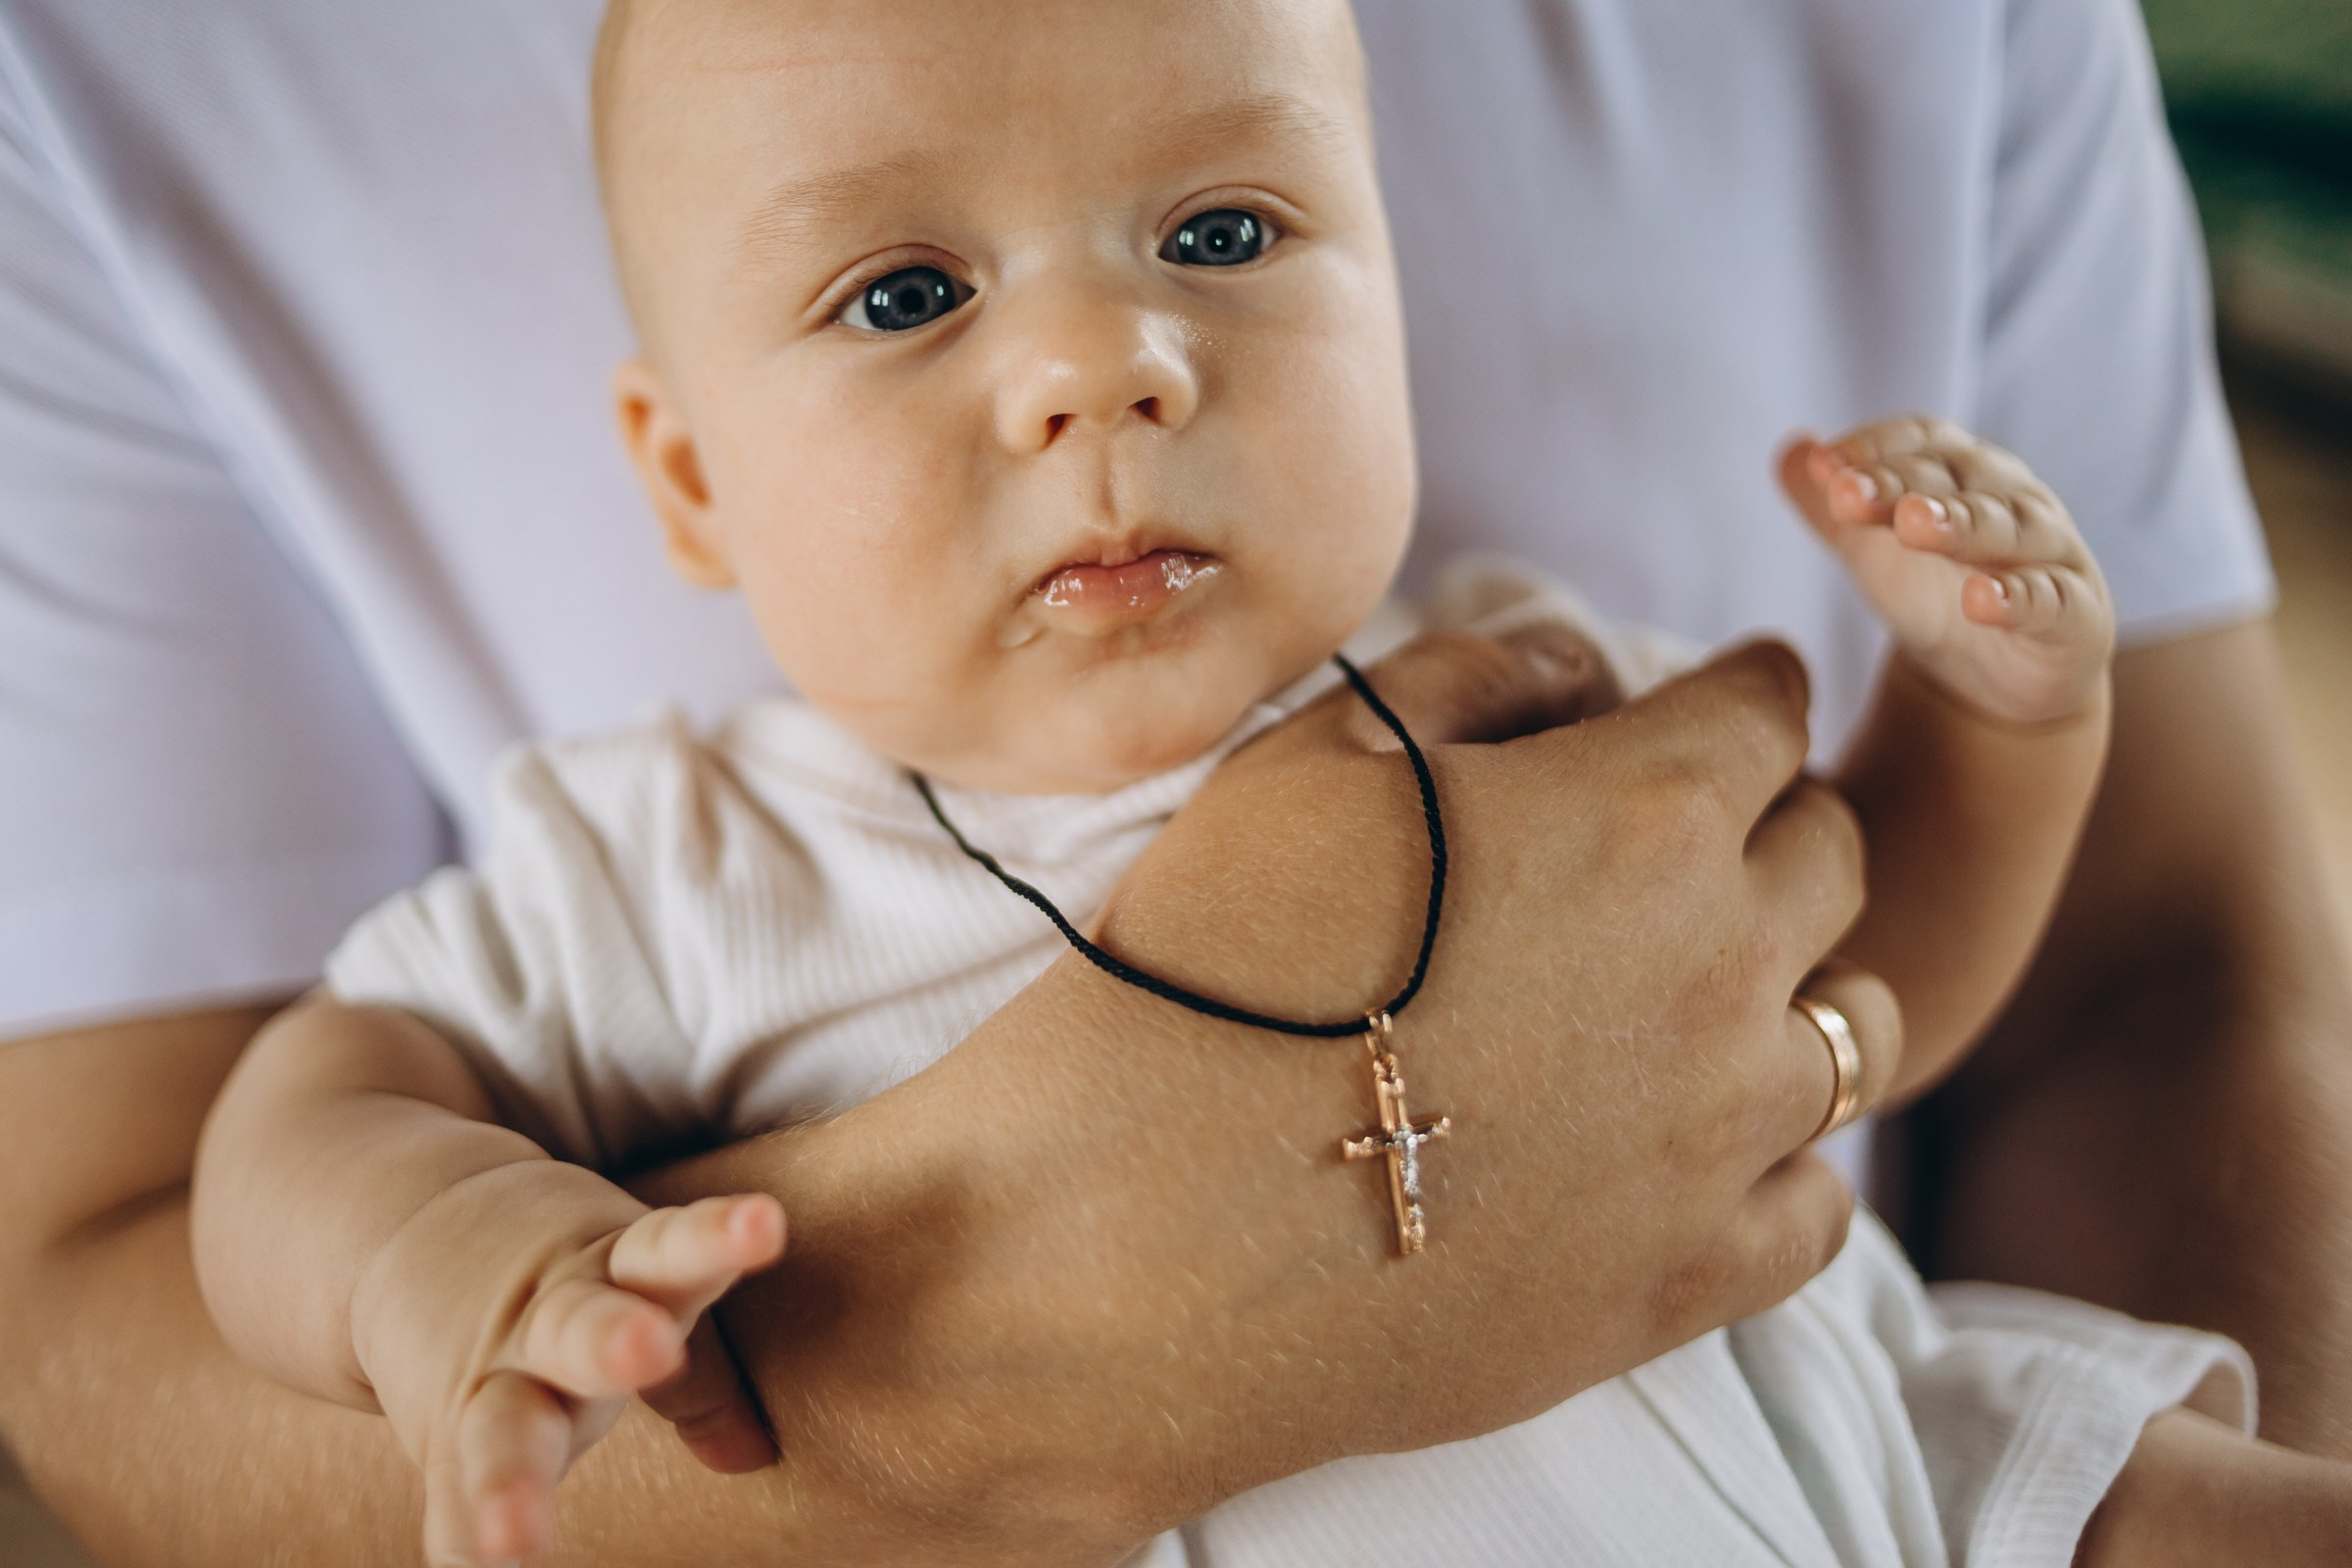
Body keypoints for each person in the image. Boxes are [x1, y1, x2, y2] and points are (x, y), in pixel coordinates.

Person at [1, 0, 2346, 1563]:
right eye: (907, 296)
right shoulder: (680, 853)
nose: (1104, 363)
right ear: (691, 479)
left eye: (1223, 238)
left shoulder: (1528, 689)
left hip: (1845, 1474)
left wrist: (1996, 718)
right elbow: (312, 1101)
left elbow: (1859, 993)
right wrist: (427, 1252)